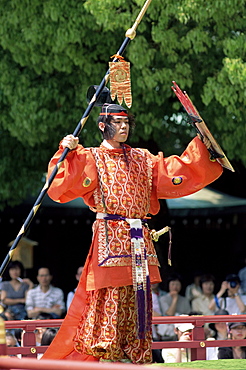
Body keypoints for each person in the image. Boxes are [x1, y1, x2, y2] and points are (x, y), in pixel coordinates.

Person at [42, 103, 222, 363]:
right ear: (103, 125)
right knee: (110, 297)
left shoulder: (142, 158)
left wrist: (203, 151)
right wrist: (66, 152)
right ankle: (106, 353)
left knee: (140, 297)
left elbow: (174, 171)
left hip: (139, 236)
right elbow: (60, 186)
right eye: (118, 122)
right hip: (110, 235)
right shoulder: (91, 157)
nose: (124, 127)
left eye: (127, 123)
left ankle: (134, 354)